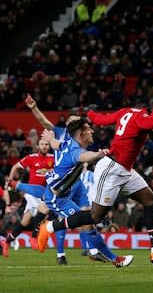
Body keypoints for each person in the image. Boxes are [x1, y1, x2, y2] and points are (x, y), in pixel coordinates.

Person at [39, 82, 153, 265]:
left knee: (150, 201)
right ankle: (49, 227)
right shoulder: (143, 118)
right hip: (112, 169)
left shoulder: (127, 112)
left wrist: (90, 112)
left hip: (125, 169)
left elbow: (102, 120)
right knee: (94, 217)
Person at [40, 117, 133, 268]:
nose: (92, 131)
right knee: (89, 220)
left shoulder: (68, 143)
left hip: (63, 195)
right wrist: (98, 154)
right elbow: (83, 157)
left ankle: (112, 258)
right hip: (56, 198)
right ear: (81, 134)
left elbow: (57, 145)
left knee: (89, 223)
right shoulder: (76, 151)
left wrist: (51, 139)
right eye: (89, 128)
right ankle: (49, 228)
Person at [24, 93, 101, 263]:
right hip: (62, 182)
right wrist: (34, 108)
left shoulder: (81, 138)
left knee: (87, 216)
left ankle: (93, 250)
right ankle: (60, 253)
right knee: (63, 217)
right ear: (67, 124)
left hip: (77, 182)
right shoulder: (59, 133)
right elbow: (44, 123)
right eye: (73, 121)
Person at [0, 139, 53, 257]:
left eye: (46, 144)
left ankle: (7, 242)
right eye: (42, 144)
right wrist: (10, 180)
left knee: (24, 221)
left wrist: (48, 170)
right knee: (44, 210)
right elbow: (15, 166)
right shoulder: (31, 157)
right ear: (38, 146)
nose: (44, 146)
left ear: (49, 146)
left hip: (43, 193)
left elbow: (58, 172)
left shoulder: (53, 158)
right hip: (30, 192)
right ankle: (34, 237)